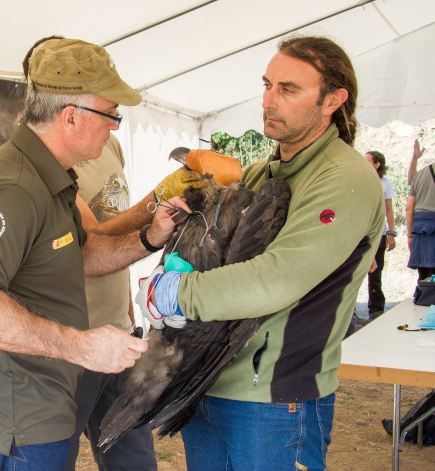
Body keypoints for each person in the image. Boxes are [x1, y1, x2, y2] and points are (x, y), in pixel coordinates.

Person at [0, 38, 191, 471]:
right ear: (71, 116)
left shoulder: (51, 175)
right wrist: (80, 346)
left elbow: (84, 253)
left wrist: (150, 236)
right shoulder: (14, 187)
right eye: (111, 114)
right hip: (13, 422)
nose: (115, 126)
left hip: (39, 409)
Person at [141, 35, 385, 470]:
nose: (269, 101)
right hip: (206, 381)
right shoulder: (256, 174)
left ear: (333, 99)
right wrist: (183, 227)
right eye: (267, 85)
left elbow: (277, 278)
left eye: (288, 89)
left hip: (274, 398)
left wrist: (176, 292)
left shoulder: (346, 178)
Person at [364, 150, 396, 319]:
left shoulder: (385, 183)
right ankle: (350, 314)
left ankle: (375, 310)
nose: (364, 162)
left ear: (377, 164)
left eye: (368, 160)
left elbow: (389, 210)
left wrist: (391, 233)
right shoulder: (360, 180)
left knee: (376, 273)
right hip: (361, 232)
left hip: (379, 233)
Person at [407, 140, 435, 281]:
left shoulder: (421, 174)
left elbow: (409, 208)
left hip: (420, 229)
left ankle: (424, 298)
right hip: (428, 227)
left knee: (424, 274)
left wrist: (410, 234)